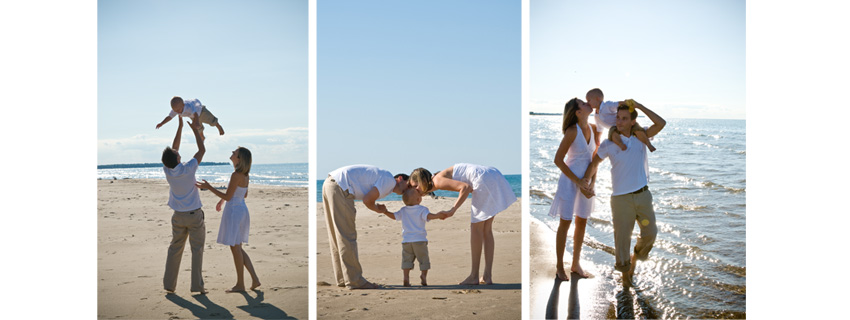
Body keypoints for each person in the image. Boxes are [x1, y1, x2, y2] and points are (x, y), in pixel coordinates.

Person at [582, 100, 666, 289]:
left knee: (651, 233)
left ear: (632, 121)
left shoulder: (641, 136)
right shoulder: (609, 143)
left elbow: (661, 123)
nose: (619, 122)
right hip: (620, 199)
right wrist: (586, 182)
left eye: (624, 119)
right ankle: (625, 276)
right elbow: (594, 163)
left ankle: (636, 257)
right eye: (618, 118)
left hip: (643, 195)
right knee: (621, 241)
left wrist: (641, 106)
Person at [408, 163, 517, 285]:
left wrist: (452, 210)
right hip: (493, 174)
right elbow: (467, 187)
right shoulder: (440, 178)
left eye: (416, 185)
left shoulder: (436, 180)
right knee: (486, 230)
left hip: (481, 177)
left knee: (476, 229)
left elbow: (465, 187)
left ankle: (474, 276)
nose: (416, 189)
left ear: (423, 179)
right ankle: (487, 276)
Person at [322, 165, 411, 289]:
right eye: (409, 185)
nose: (408, 189)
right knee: (347, 236)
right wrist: (378, 209)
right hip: (341, 187)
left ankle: (344, 278)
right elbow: (367, 200)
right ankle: (355, 280)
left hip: (330, 184)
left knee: (337, 236)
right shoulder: (390, 181)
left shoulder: (386, 181)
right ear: (400, 178)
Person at [196, 147, 260, 293]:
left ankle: (240, 284)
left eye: (234, 153)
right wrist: (222, 201)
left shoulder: (236, 174)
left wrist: (208, 187)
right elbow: (243, 195)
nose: (231, 153)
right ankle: (254, 279)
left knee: (235, 248)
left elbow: (228, 196)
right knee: (238, 247)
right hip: (241, 209)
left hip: (234, 212)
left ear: (239, 159)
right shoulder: (245, 175)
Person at [549, 98, 598, 281]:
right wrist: (577, 181)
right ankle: (560, 266)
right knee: (566, 222)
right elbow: (558, 160)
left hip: (586, 182)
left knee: (582, 221)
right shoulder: (572, 131)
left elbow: (595, 159)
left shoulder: (593, 129)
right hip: (570, 182)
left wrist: (592, 183)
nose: (587, 103)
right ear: (578, 112)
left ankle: (575, 263)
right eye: (583, 103)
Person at [161, 114, 207, 294]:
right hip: (194, 215)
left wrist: (179, 127)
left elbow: (173, 149)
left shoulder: (168, 170)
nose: (179, 152)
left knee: (175, 249)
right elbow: (201, 150)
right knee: (197, 250)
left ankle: (169, 285)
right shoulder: (188, 168)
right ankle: (197, 286)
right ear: (178, 159)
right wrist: (195, 130)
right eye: (178, 154)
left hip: (178, 216)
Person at [381, 188, 450, 287]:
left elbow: (394, 216)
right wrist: (438, 215)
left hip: (406, 241)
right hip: (420, 240)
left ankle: (406, 277)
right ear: (418, 200)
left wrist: (385, 212)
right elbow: (429, 216)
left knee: (406, 260)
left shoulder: (403, 210)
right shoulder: (422, 209)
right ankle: (423, 275)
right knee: (423, 260)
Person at [586, 88, 656, 152]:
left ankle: (649, 144)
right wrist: (597, 138)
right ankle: (621, 145)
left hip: (625, 124)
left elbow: (617, 104)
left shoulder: (606, 105)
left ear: (597, 99)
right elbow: (599, 128)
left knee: (638, 131)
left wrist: (627, 103)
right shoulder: (596, 116)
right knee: (613, 135)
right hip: (615, 128)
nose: (587, 103)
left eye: (589, 100)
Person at [156, 96, 225, 140]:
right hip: (192, 116)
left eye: (178, 110)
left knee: (211, 120)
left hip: (201, 110)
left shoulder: (188, 106)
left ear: (183, 105)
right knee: (198, 128)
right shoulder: (176, 109)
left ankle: (219, 127)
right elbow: (169, 117)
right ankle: (202, 136)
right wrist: (162, 123)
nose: (177, 112)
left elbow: (195, 114)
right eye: (175, 110)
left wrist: (197, 122)